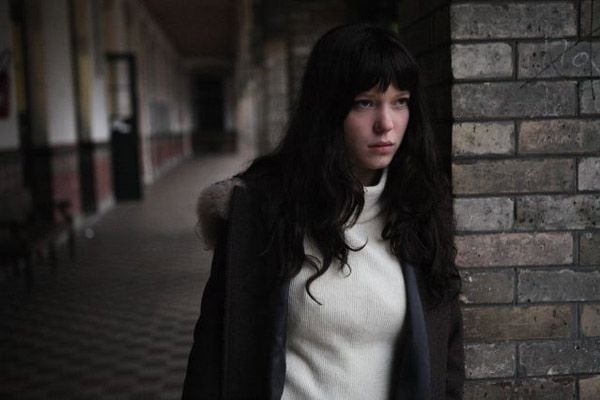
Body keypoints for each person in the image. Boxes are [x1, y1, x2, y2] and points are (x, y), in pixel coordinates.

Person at [182, 23, 464, 400]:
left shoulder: (421, 210)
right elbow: (214, 354)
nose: (387, 123)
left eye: (400, 101)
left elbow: (447, 354)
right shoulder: (265, 212)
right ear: (328, 109)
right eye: (365, 102)